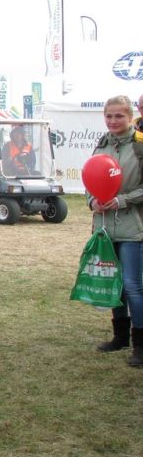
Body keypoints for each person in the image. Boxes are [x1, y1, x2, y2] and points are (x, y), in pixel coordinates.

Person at [89, 95, 143, 366]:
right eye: (108, 116)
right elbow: (91, 179)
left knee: (134, 286)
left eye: (119, 116)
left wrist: (122, 200)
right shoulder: (101, 145)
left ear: (130, 116)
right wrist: (92, 201)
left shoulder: (140, 145)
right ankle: (120, 337)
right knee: (115, 285)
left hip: (133, 227)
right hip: (105, 228)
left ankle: (140, 345)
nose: (112, 121)